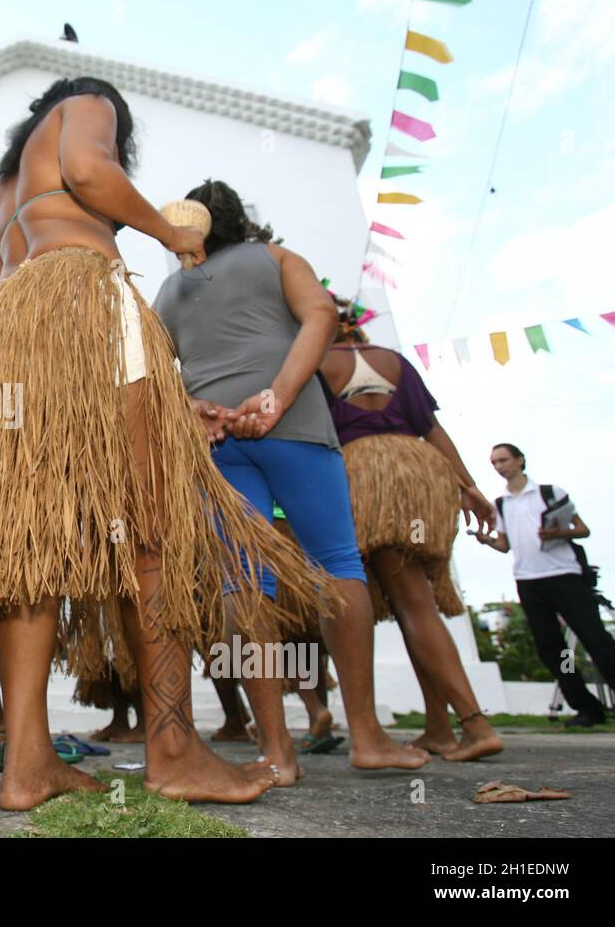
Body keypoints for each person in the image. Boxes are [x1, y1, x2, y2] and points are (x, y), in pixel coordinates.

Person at [0, 79, 328, 811]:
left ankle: (26, 764)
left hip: (9, 328)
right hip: (88, 296)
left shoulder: (10, 184)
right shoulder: (88, 106)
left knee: (33, 545)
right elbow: (90, 169)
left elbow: (4, 267)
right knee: (152, 523)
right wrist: (167, 231)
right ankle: (173, 749)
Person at [153, 179, 429, 785]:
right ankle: (367, 736)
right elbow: (322, 316)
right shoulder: (278, 259)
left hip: (217, 441)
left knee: (243, 581)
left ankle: (277, 752)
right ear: (238, 217)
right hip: (293, 425)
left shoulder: (169, 291)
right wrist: (275, 396)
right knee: (337, 563)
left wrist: (198, 411)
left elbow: (150, 375)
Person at [322, 305, 503, 760]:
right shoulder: (393, 360)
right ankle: (439, 727)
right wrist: (470, 486)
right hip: (420, 473)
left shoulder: (320, 364)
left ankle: (476, 726)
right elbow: (431, 428)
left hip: (371, 478)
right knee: (411, 602)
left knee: (412, 601)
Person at [474, 443, 615, 726]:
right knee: (551, 647)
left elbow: (582, 529)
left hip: (564, 575)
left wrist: (557, 532)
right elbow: (504, 545)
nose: (499, 466)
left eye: (503, 460)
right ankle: (586, 707)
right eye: (494, 463)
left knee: (594, 638)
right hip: (528, 581)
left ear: (519, 460)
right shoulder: (501, 504)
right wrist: (487, 540)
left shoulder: (550, 493)